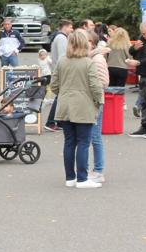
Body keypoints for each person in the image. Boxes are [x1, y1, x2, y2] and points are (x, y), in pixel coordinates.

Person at [50, 30, 103, 189]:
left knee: (69, 142)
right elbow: (95, 86)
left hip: (65, 106)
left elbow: (54, 86)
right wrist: (98, 101)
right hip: (83, 107)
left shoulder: (61, 61)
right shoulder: (88, 63)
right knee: (83, 143)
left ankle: (70, 178)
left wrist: (65, 93)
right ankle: (82, 178)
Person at [86, 30, 109, 184]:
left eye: (86, 40)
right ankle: (91, 169)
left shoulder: (97, 59)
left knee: (95, 137)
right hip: (90, 101)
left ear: (92, 43)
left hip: (95, 102)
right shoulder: (90, 58)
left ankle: (99, 170)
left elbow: (103, 82)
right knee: (90, 137)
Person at [45, 20, 73, 131]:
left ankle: (59, 122)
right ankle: (51, 122)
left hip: (58, 70)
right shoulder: (61, 38)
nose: (71, 30)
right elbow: (63, 57)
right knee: (60, 96)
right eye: (70, 27)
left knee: (61, 96)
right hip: (61, 72)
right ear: (65, 27)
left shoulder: (58, 37)